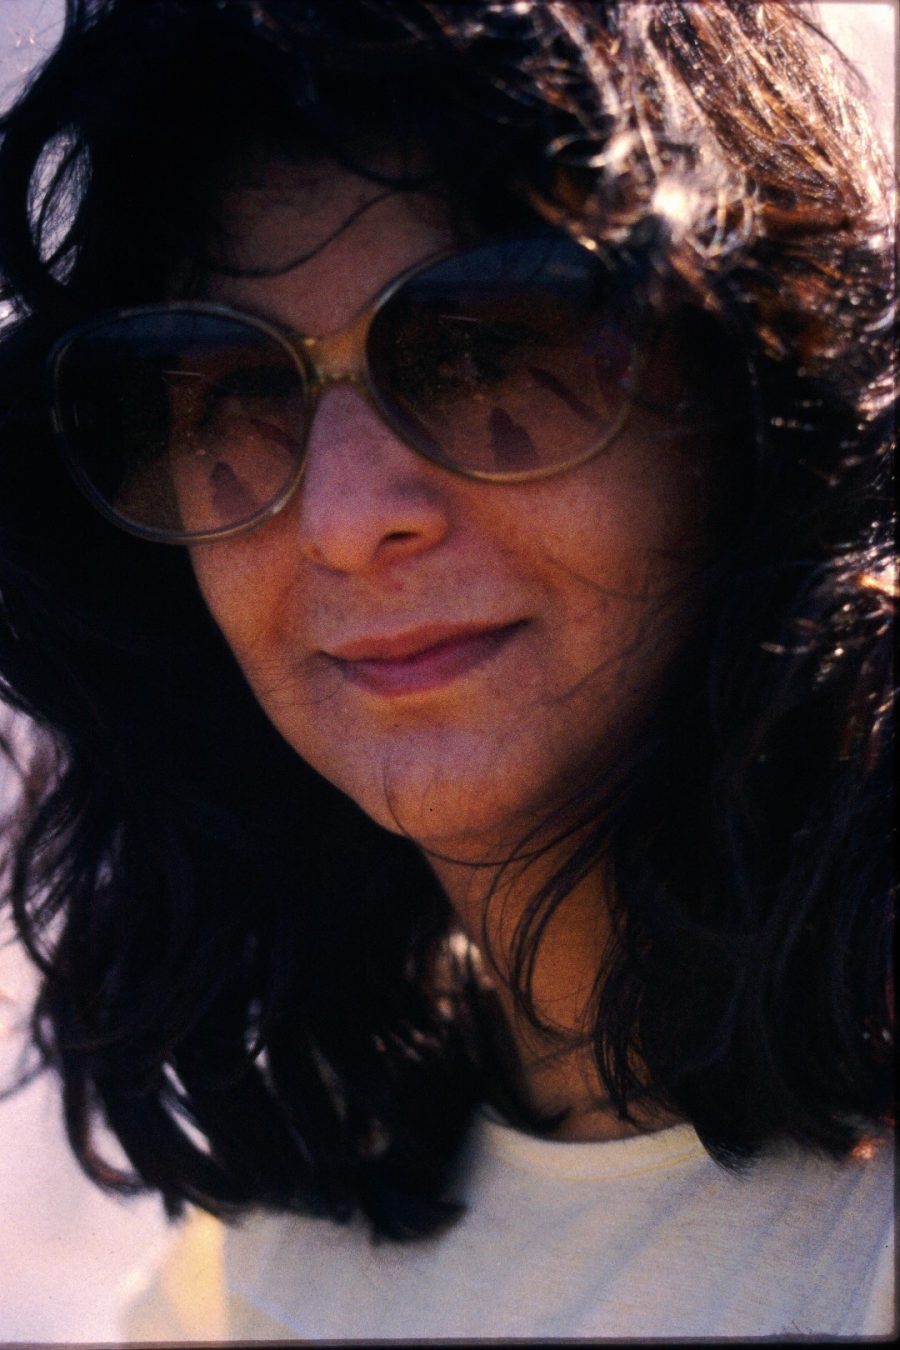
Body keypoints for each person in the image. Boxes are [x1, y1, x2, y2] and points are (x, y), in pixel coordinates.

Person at [0, 0, 894, 1339]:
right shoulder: (256, 1285)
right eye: (231, 391)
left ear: (760, 390)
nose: (345, 516)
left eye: (484, 350)